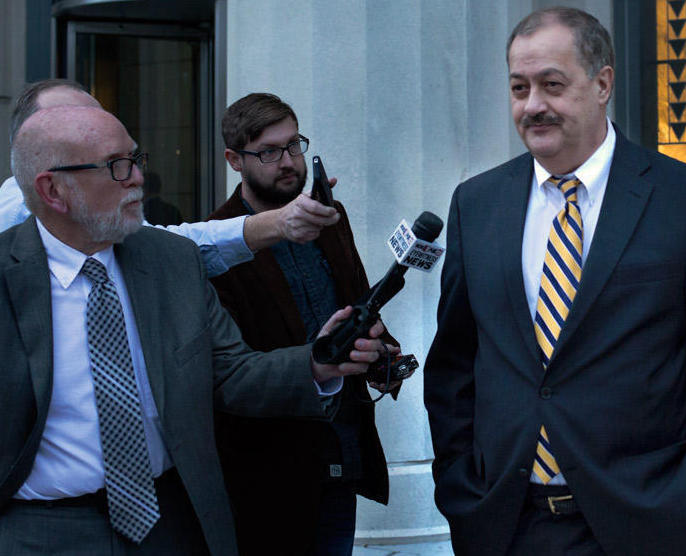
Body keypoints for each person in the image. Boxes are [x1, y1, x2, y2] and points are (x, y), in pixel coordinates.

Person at [423, 8, 686, 555]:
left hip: (644, 520)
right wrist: (458, 481)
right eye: (519, 87)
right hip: (501, 521)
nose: (533, 104)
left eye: (552, 85)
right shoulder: (477, 203)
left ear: (602, 83)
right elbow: (455, 363)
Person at [0, 104, 388, 554]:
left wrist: (319, 361)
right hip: (39, 533)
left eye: (136, 159)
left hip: (172, 525)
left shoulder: (170, 261)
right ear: (54, 190)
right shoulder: (9, 277)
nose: (138, 178)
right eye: (116, 166)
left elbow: (231, 373)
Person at [209, 93, 403, 555]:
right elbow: (232, 368)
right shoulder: (217, 240)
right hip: (269, 459)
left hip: (342, 444)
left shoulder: (329, 218)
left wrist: (378, 348)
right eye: (270, 151)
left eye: (294, 145)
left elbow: (358, 301)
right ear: (235, 160)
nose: (288, 161)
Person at [1, 78, 340, 278]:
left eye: (132, 160)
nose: (135, 178)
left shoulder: (111, 226)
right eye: (76, 125)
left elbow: (169, 248)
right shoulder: (14, 222)